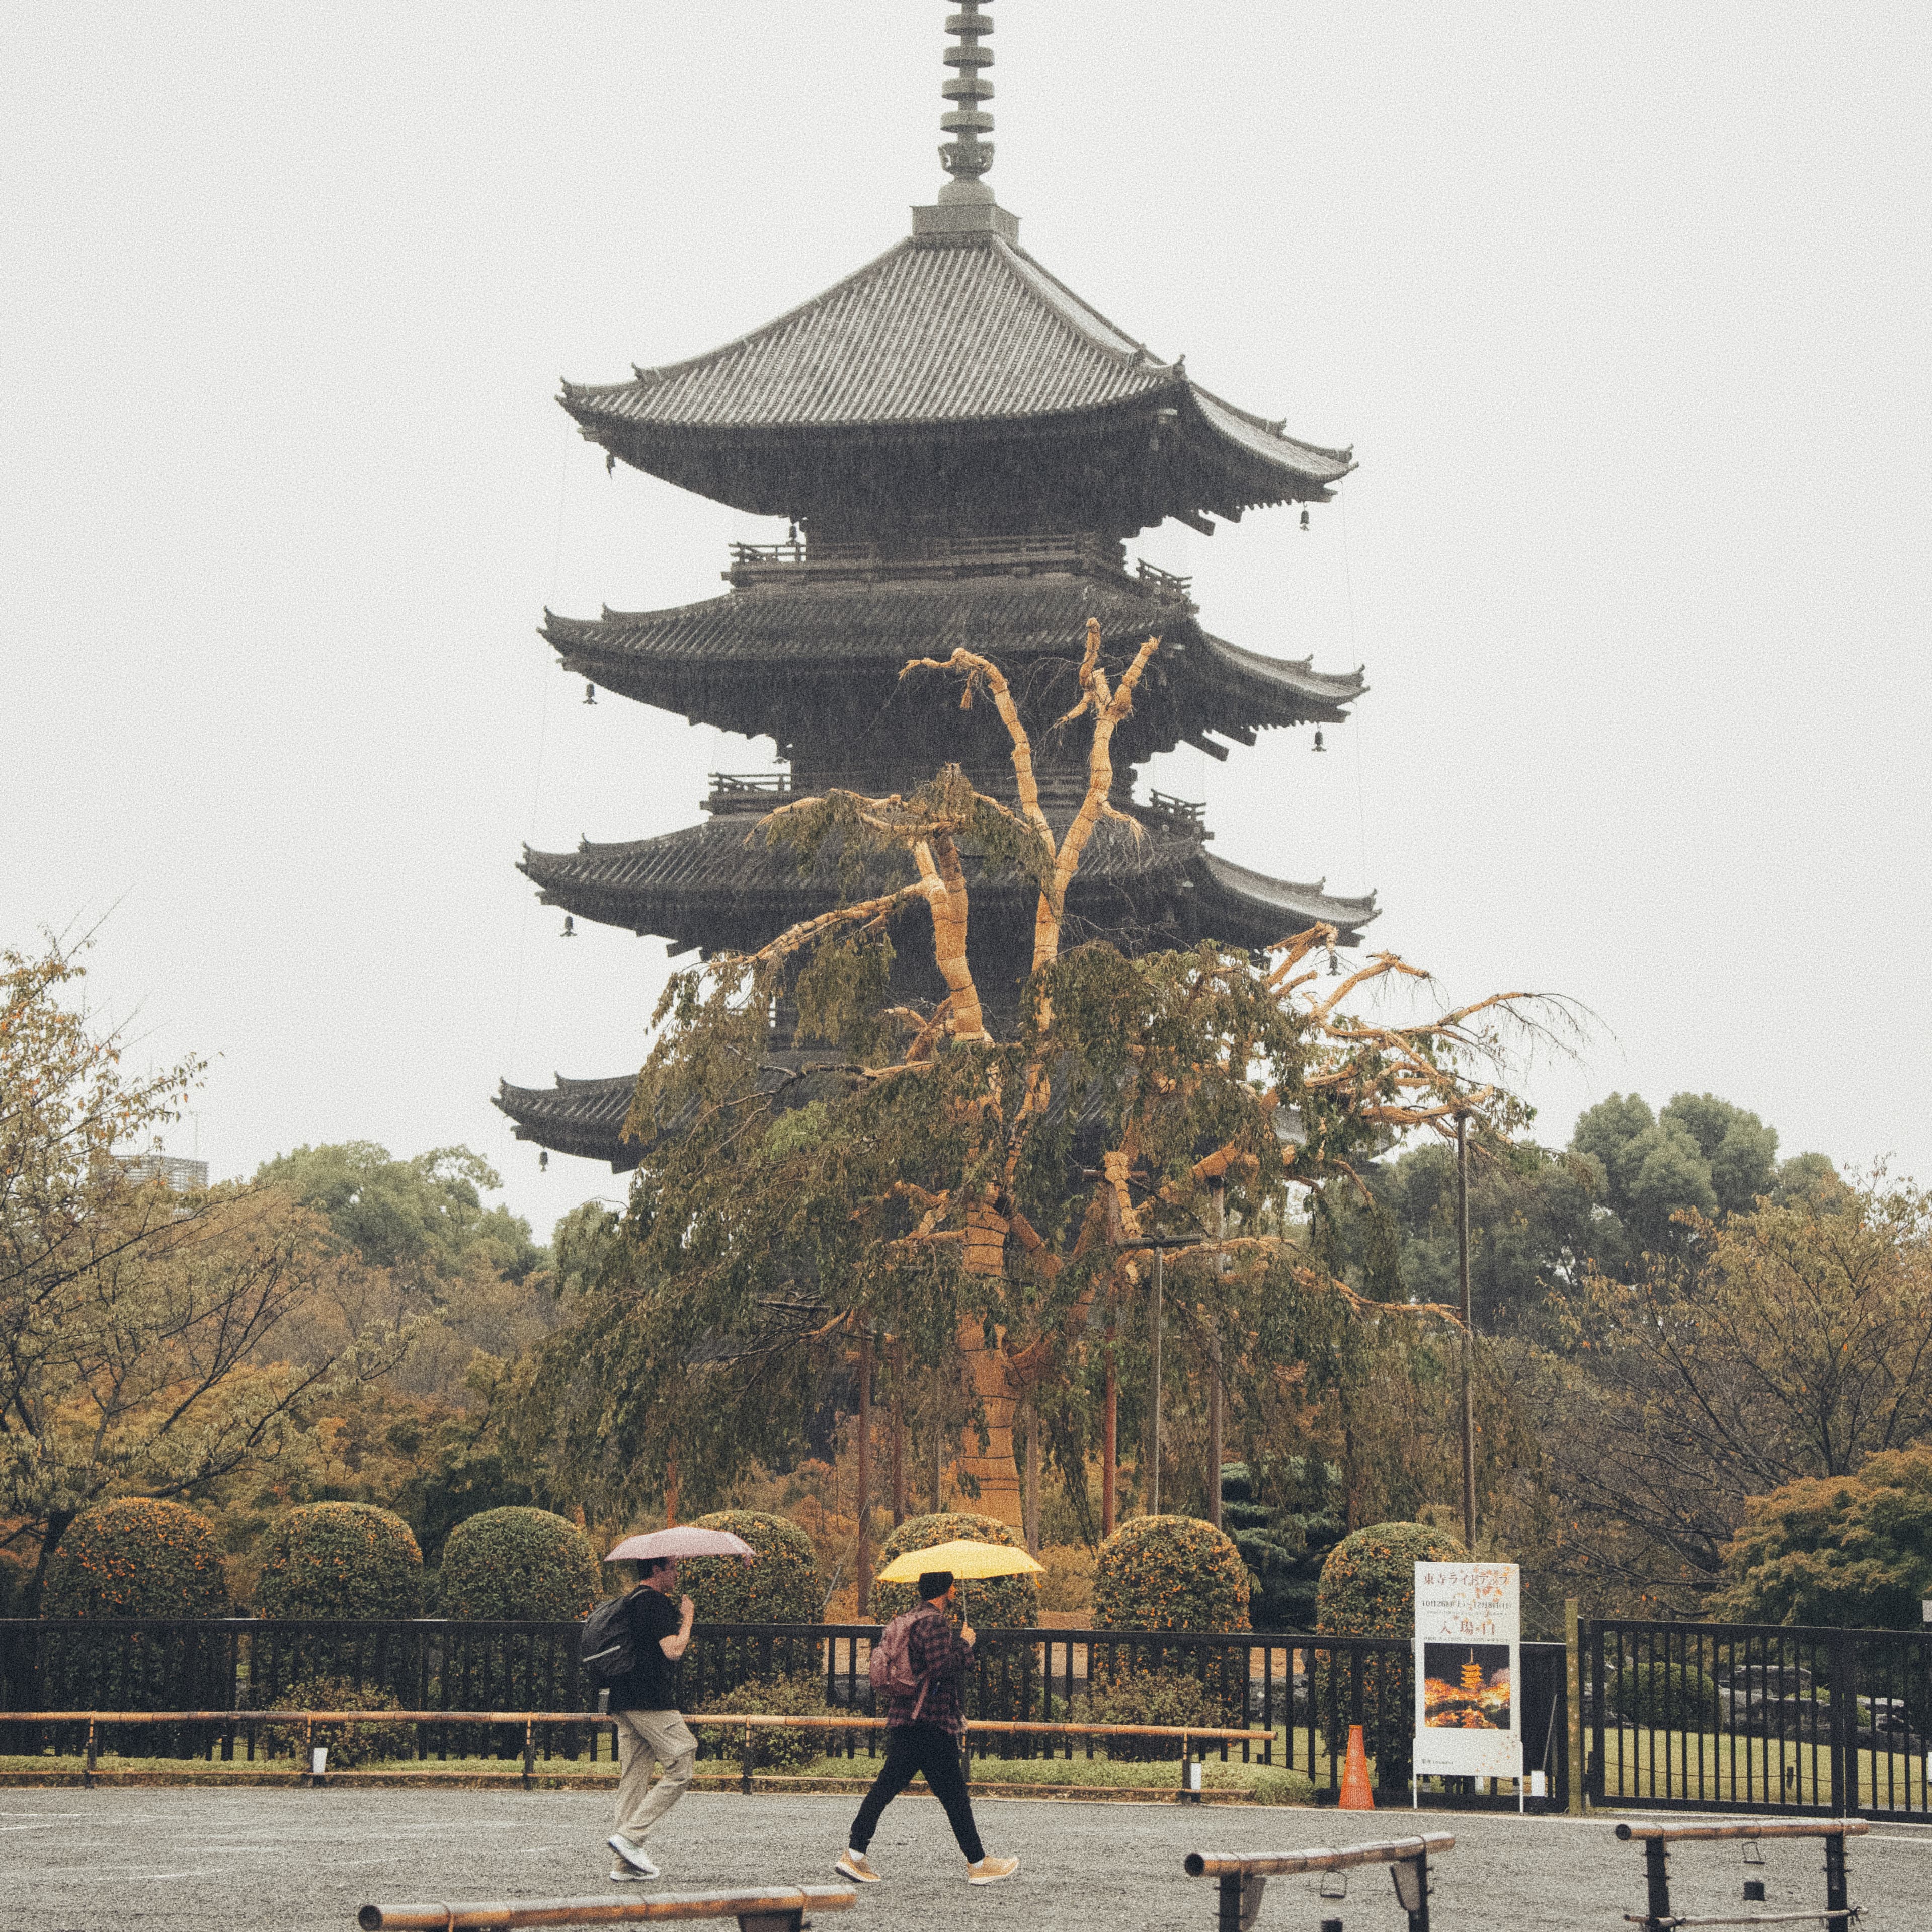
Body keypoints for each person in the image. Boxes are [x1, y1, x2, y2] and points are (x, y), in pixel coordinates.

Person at [836, 1571, 1019, 1887]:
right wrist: (965, 1644)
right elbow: (941, 1667)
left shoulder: (908, 1619)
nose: (954, 1591)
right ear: (946, 1590)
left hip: (906, 1719)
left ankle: (853, 1855)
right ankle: (978, 1863)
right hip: (930, 1722)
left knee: (892, 1788)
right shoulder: (934, 1623)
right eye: (952, 1587)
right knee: (953, 1795)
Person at [604, 1554, 697, 1882]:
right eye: (672, 1568)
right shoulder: (655, 1603)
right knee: (682, 1761)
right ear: (656, 1570)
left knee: (633, 1778)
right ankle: (631, 1838)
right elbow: (673, 1650)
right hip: (650, 1699)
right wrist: (687, 1619)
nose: (676, 1574)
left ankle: (625, 1865)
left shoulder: (630, 1602)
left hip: (623, 1700)